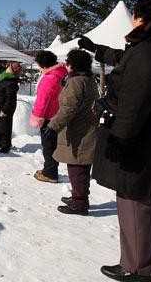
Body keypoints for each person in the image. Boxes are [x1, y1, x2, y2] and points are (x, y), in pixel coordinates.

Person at [78, 0, 151, 281]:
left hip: (143, 140)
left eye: (137, 15)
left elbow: (135, 98)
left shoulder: (149, 51)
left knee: (134, 200)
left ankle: (136, 268)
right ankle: (149, 260)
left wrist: (121, 137)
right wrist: (97, 50)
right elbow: (125, 58)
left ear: (146, 17)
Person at [42, 49, 98, 215]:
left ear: (74, 64)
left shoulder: (76, 82)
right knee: (78, 166)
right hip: (84, 127)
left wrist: (53, 126)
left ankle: (79, 202)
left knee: (77, 167)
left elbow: (68, 108)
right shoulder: (87, 79)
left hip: (79, 131)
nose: (66, 65)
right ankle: (78, 196)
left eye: (68, 62)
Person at [30, 50, 68, 183]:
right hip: (60, 116)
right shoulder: (63, 74)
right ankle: (50, 169)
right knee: (53, 145)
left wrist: (37, 117)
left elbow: (42, 101)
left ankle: (50, 172)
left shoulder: (49, 78)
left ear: (44, 65)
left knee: (48, 146)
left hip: (49, 117)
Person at [0, 52, 23, 153]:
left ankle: (6, 145)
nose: (8, 66)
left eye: (10, 66)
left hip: (5, 107)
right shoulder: (4, 74)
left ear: (12, 70)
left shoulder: (11, 82)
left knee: (5, 126)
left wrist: (4, 110)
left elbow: (10, 99)